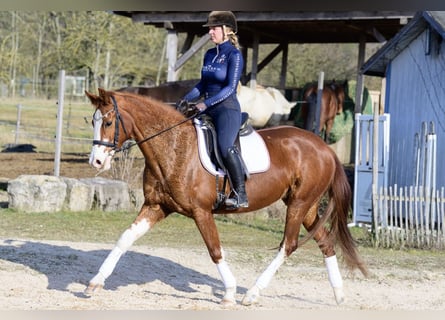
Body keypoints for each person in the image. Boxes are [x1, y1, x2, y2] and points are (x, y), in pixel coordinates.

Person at [179, 11, 248, 209]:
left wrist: (205, 104)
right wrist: (184, 100)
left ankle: (240, 193)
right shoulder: (210, 54)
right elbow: (202, 84)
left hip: (226, 109)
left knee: (226, 146)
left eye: (214, 28)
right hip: (207, 108)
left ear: (227, 30)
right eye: (209, 29)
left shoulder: (233, 55)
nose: (210, 32)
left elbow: (230, 88)